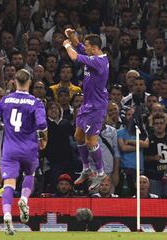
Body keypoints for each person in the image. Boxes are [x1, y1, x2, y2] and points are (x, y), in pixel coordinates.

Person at [0, 69, 48, 235]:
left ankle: (7, 214)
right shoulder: (36, 102)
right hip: (29, 148)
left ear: (14, 82)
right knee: (30, 175)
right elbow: (42, 125)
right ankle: (23, 199)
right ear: (29, 82)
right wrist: (43, 139)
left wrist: (6, 127)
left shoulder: (5, 100)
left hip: (9, 149)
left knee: (9, 183)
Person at [63, 28, 110, 190]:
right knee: (78, 136)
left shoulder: (99, 61)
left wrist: (67, 45)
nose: (85, 47)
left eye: (88, 46)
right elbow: (79, 45)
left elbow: (74, 55)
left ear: (95, 47)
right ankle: (85, 168)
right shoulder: (92, 54)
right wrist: (70, 35)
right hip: (87, 104)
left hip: (97, 107)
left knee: (91, 141)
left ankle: (100, 172)